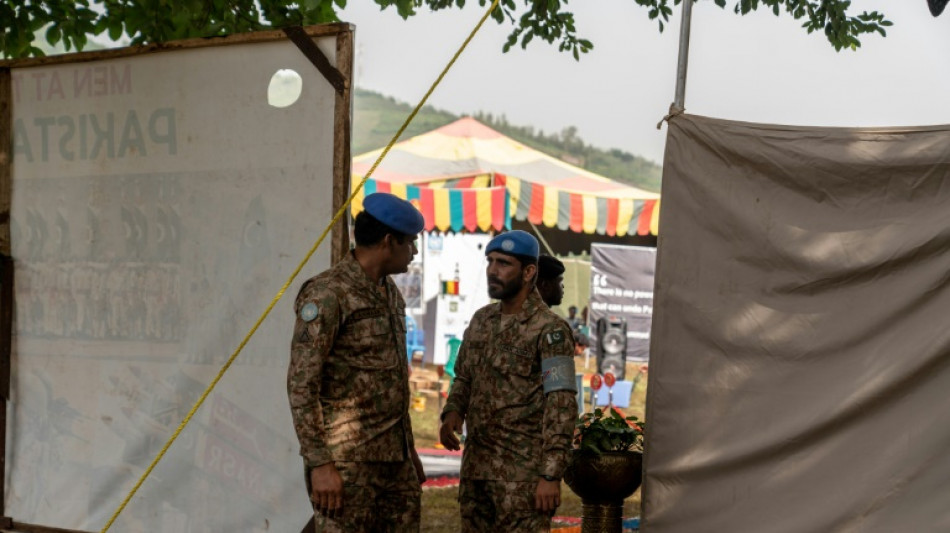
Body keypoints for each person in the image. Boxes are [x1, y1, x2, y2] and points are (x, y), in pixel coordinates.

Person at [287, 192, 427, 532]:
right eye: (410, 243)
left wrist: (408, 451)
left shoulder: (389, 291)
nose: (415, 252)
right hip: (347, 464)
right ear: (388, 241)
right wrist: (320, 464)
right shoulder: (327, 294)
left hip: (394, 463)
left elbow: (391, 380)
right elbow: (301, 384)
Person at [439, 230, 578, 532]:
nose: (492, 270)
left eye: (503, 264)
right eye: (490, 261)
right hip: (477, 472)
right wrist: (452, 413)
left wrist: (551, 475)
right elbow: (464, 377)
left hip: (522, 479)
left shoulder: (550, 330)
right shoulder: (482, 320)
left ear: (529, 272)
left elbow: (561, 404)